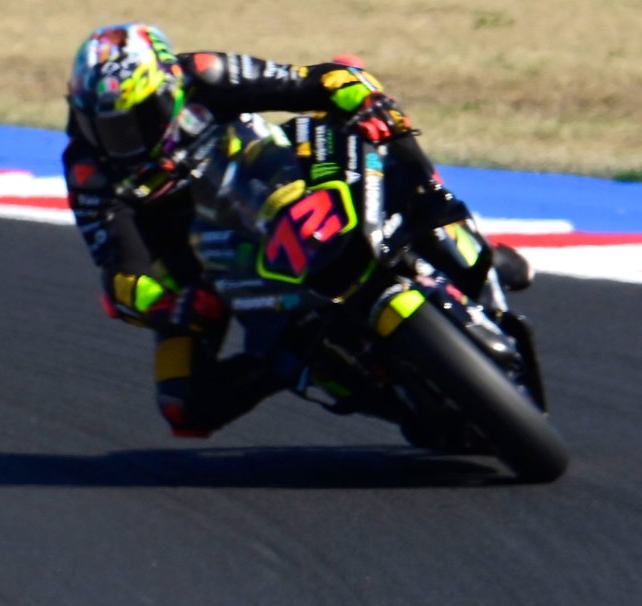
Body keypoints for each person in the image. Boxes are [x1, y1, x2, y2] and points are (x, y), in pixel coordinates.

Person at [63, 23, 534, 438]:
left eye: (133, 121)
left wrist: (370, 102)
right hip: (203, 267)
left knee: (380, 131)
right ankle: (289, 362)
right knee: (184, 408)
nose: (119, 139)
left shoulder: (205, 73)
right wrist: (162, 303)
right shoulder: (90, 169)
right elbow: (119, 269)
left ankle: (455, 233)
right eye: (102, 126)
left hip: (276, 178)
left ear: (168, 90)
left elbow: (321, 78)